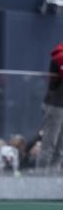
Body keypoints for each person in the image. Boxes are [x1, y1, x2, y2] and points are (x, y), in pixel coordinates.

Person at [39, 42, 63, 171]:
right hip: (56, 106)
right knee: (49, 145)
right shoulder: (59, 57)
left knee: (60, 148)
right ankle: (41, 178)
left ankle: (54, 178)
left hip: (59, 105)